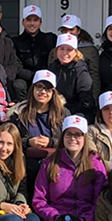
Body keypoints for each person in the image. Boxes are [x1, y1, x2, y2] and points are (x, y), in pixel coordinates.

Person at [10, 69, 70, 202]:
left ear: (53, 92)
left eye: (48, 89)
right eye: (39, 87)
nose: (43, 92)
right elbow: (11, 138)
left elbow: (71, 139)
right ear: (32, 89)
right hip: (28, 159)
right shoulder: (20, 112)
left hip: (55, 159)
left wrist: (51, 142)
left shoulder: (63, 113)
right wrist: (28, 142)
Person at [48, 14, 100, 99]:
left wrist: (94, 99)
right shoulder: (54, 51)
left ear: (78, 30)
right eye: (64, 30)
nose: (68, 32)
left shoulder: (90, 50)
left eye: (71, 29)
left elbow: (94, 76)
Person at [49, 33, 95, 123]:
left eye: (69, 49)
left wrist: (64, 109)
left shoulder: (80, 71)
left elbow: (86, 103)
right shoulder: (53, 67)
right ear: (56, 51)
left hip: (77, 113)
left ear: (75, 52)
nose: (65, 53)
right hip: (55, 110)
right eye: (61, 49)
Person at [12, 5, 57, 76]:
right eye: (29, 20)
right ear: (23, 22)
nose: (32, 23)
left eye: (35, 20)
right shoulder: (15, 42)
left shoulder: (51, 39)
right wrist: (34, 76)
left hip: (46, 78)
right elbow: (16, 66)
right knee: (18, 85)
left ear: (40, 22)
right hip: (25, 79)